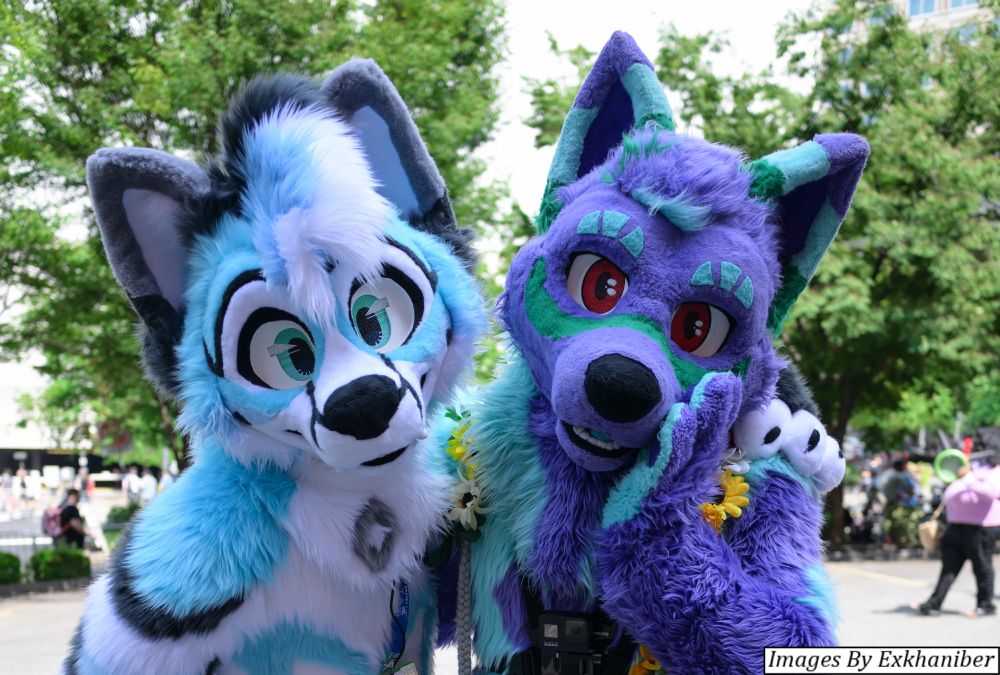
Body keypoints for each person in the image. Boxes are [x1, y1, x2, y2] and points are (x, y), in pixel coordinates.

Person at [917, 461, 1000, 617]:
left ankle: (985, 604)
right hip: (956, 526)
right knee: (948, 568)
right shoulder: (963, 469)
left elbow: (991, 492)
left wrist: (967, 478)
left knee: (982, 567)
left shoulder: (994, 471)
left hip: (981, 528)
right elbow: (948, 495)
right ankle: (934, 603)